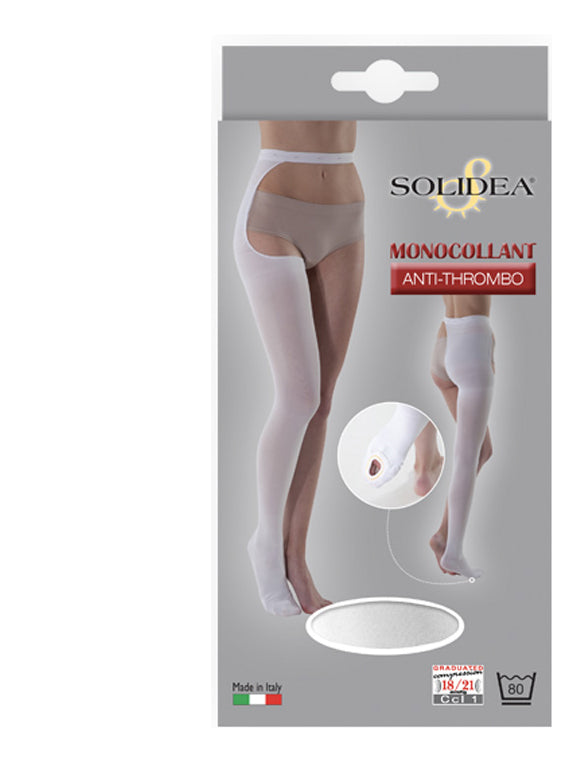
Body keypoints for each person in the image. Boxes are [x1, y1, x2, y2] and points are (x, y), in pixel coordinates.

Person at [233, 121, 364, 615]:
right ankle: (266, 541)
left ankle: (297, 560)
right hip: (274, 210)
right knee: (298, 397)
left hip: (347, 211)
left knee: (321, 401)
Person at [428, 295, 495, 579]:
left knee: (481, 451)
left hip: (445, 340)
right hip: (471, 344)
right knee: (467, 457)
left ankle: (443, 536)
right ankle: (454, 552)